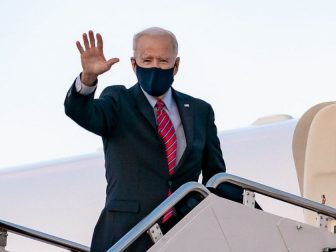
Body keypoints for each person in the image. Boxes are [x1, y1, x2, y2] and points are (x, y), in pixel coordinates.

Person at [64, 27, 227, 252]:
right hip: (127, 235)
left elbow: (216, 176)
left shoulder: (200, 111)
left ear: (176, 65)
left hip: (187, 234)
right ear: (134, 64)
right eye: (147, 60)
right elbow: (80, 111)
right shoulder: (118, 101)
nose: (155, 67)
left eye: (163, 60)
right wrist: (89, 77)